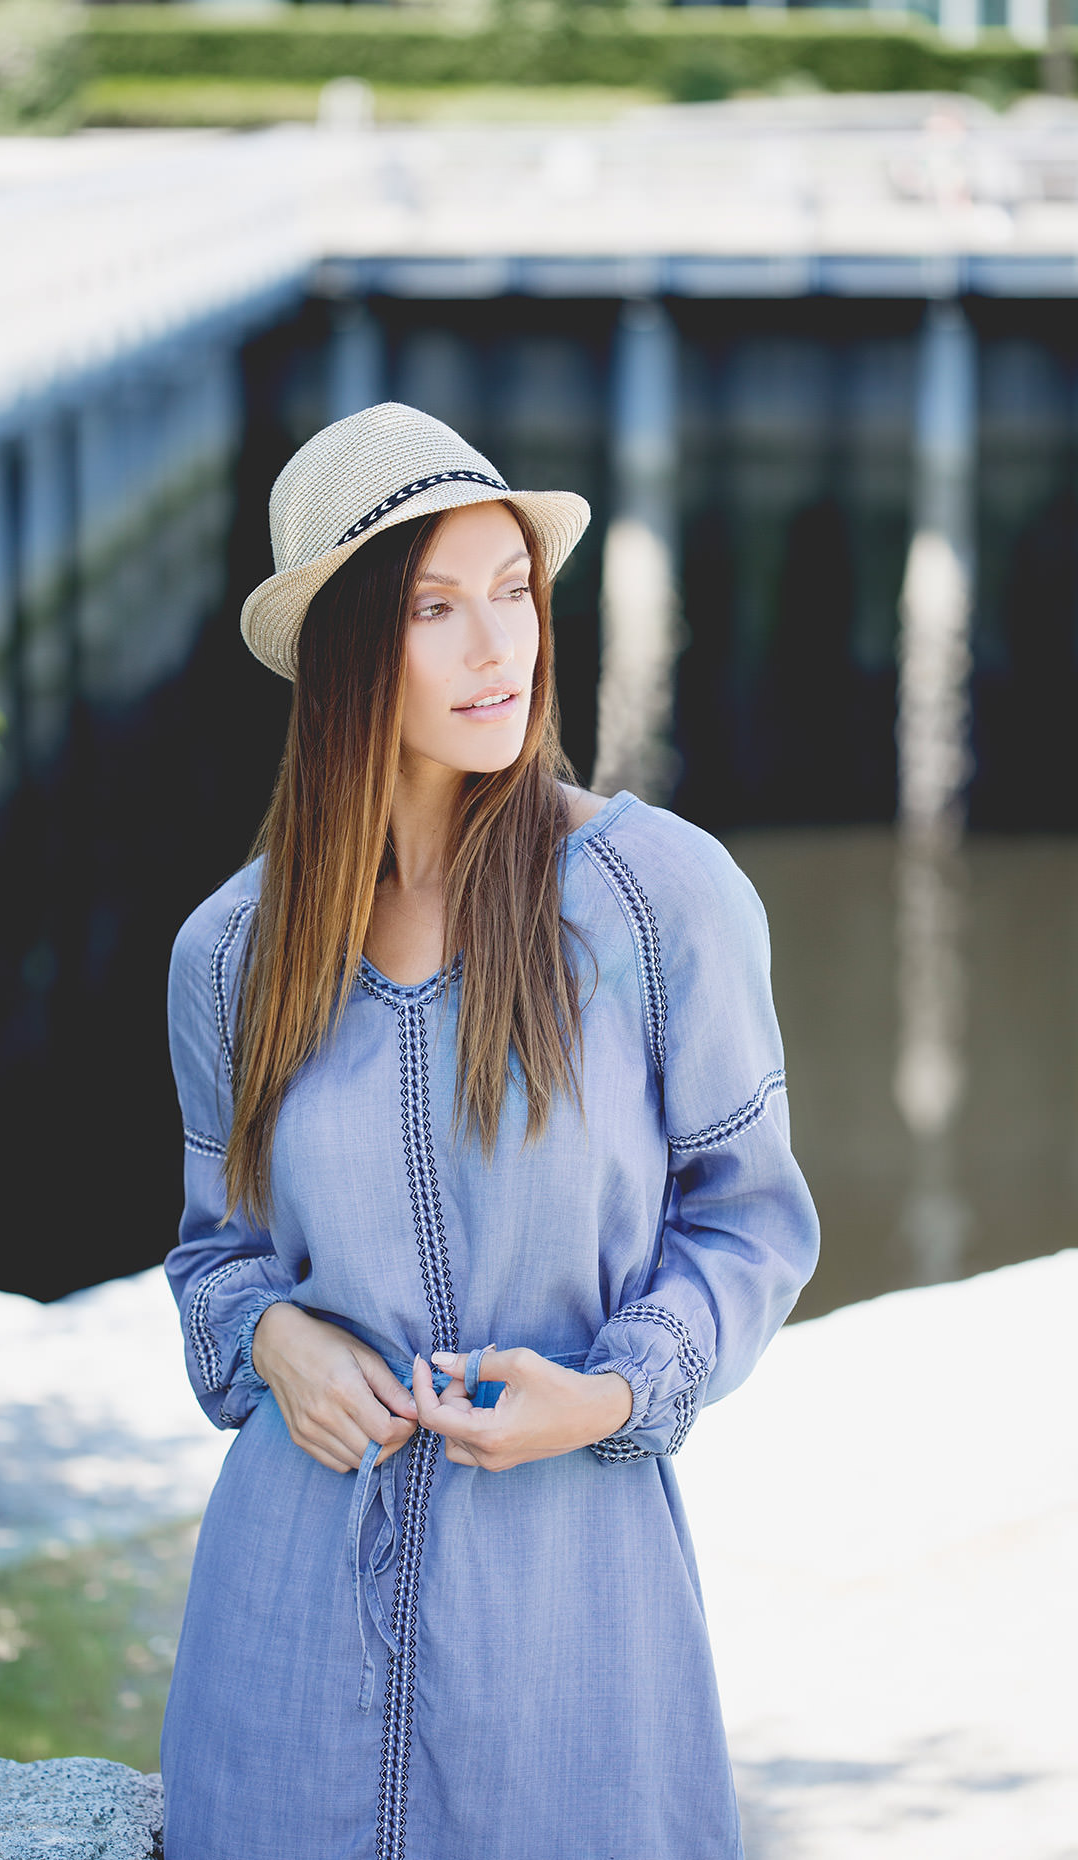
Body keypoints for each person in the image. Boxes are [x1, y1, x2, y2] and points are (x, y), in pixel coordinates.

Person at [161, 401, 820, 1860]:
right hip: (284, 1629)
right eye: (435, 609)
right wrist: (276, 1339)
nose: (497, 649)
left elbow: (752, 1224)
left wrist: (607, 1395)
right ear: (344, 653)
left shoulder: (659, 901)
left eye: (513, 593)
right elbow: (217, 1260)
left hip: (574, 1621)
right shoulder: (227, 957)